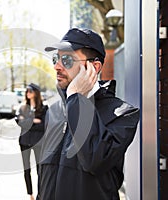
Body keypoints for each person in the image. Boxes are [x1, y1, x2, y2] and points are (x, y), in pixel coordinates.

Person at [38, 27, 140, 200]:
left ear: (94, 67)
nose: (56, 66)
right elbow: (44, 175)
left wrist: (77, 99)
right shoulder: (54, 111)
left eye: (67, 60)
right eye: (56, 58)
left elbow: (95, 159)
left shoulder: (123, 114)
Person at [16, 83, 48, 200]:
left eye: (30, 91)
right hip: (24, 142)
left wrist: (27, 122)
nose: (27, 93)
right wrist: (33, 121)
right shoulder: (23, 107)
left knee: (40, 169)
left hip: (38, 142)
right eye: (27, 91)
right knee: (26, 169)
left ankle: (41, 193)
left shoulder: (44, 109)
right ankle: (30, 194)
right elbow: (19, 122)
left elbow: (44, 124)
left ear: (36, 93)